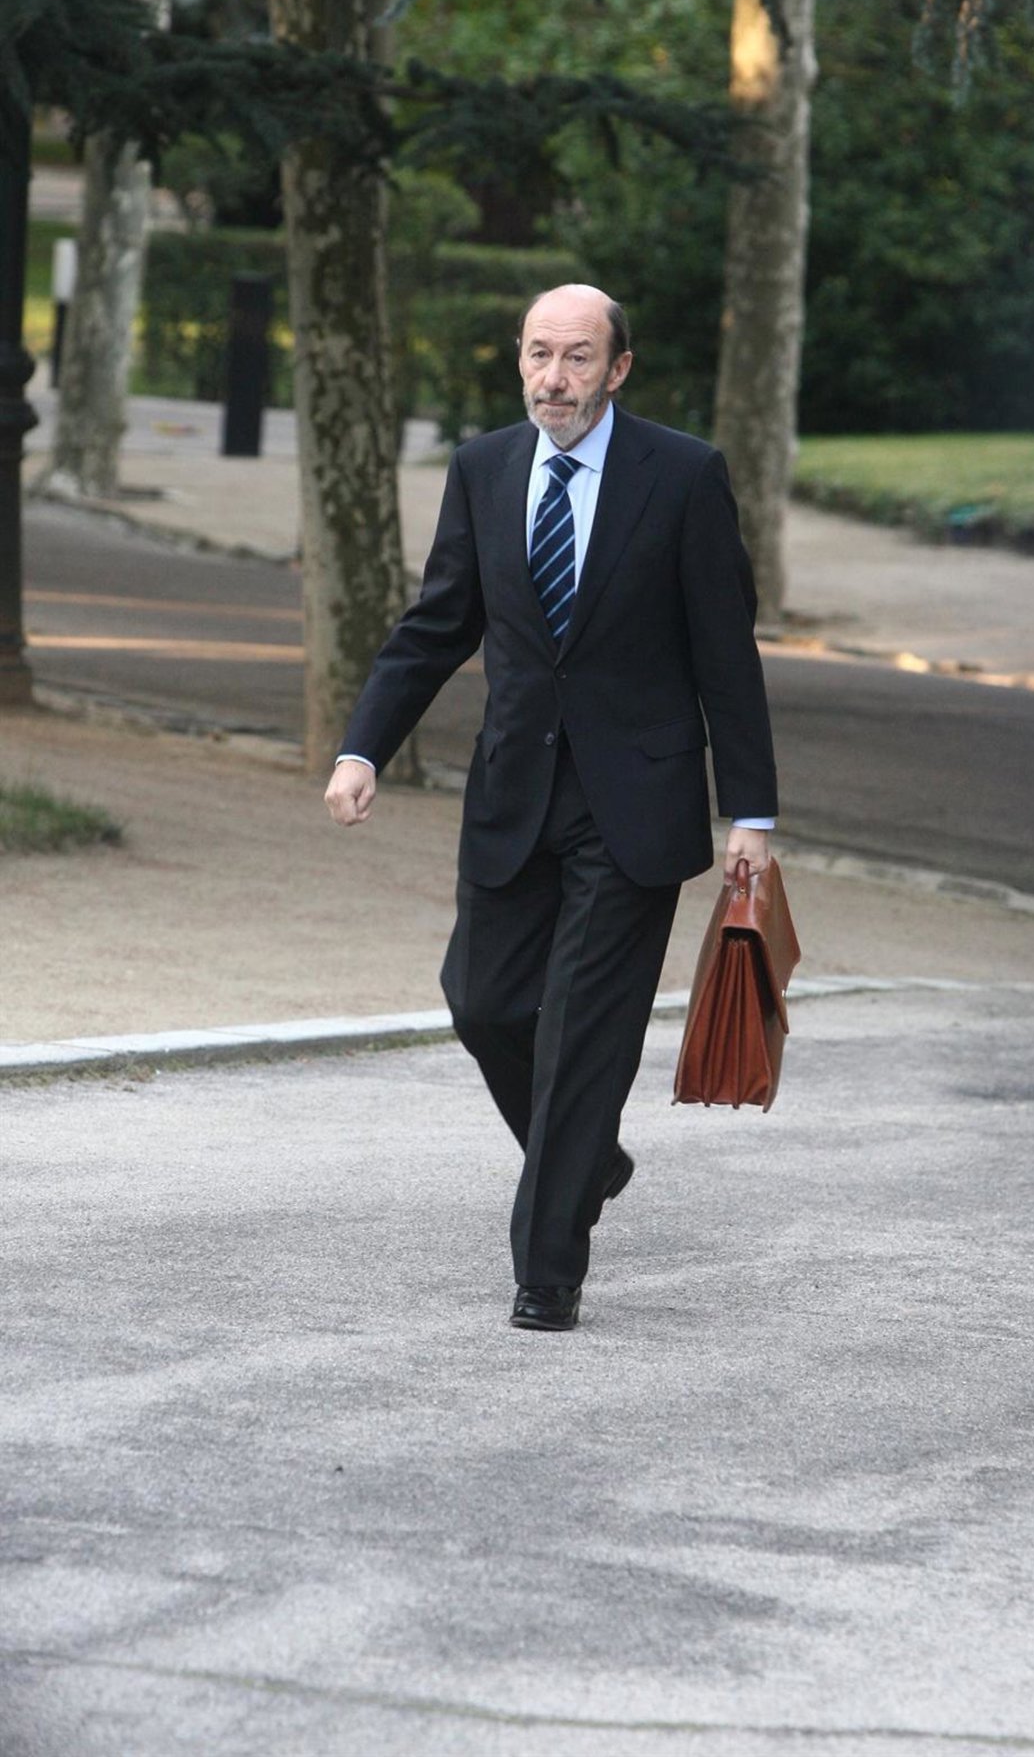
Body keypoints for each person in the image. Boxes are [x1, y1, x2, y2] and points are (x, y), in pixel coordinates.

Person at [325, 283, 777, 1331]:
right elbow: (438, 623)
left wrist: (750, 813)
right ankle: (589, 1161)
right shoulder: (484, 468)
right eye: (539, 354)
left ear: (618, 369)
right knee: (481, 1002)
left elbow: (726, 654)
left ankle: (547, 1270)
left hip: (637, 803)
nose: (554, 378)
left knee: (581, 1035)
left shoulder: (684, 476)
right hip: (514, 792)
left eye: (578, 358)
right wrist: (363, 747)